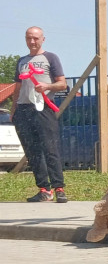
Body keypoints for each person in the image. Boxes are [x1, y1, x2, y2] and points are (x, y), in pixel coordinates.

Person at [12, 26, 68, 203]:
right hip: (23, 109)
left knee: (50, 149)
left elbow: (63, 84)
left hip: (43, 107)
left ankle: (59, 188)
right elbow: (18, 87)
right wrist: (14, 109)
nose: (32, 42)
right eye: (29, 38)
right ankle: (44, 189)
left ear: (43, 39)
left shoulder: (50, 58)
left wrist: (47, 86)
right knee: (32, 151)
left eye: (36, 38)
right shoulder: (21, 61)